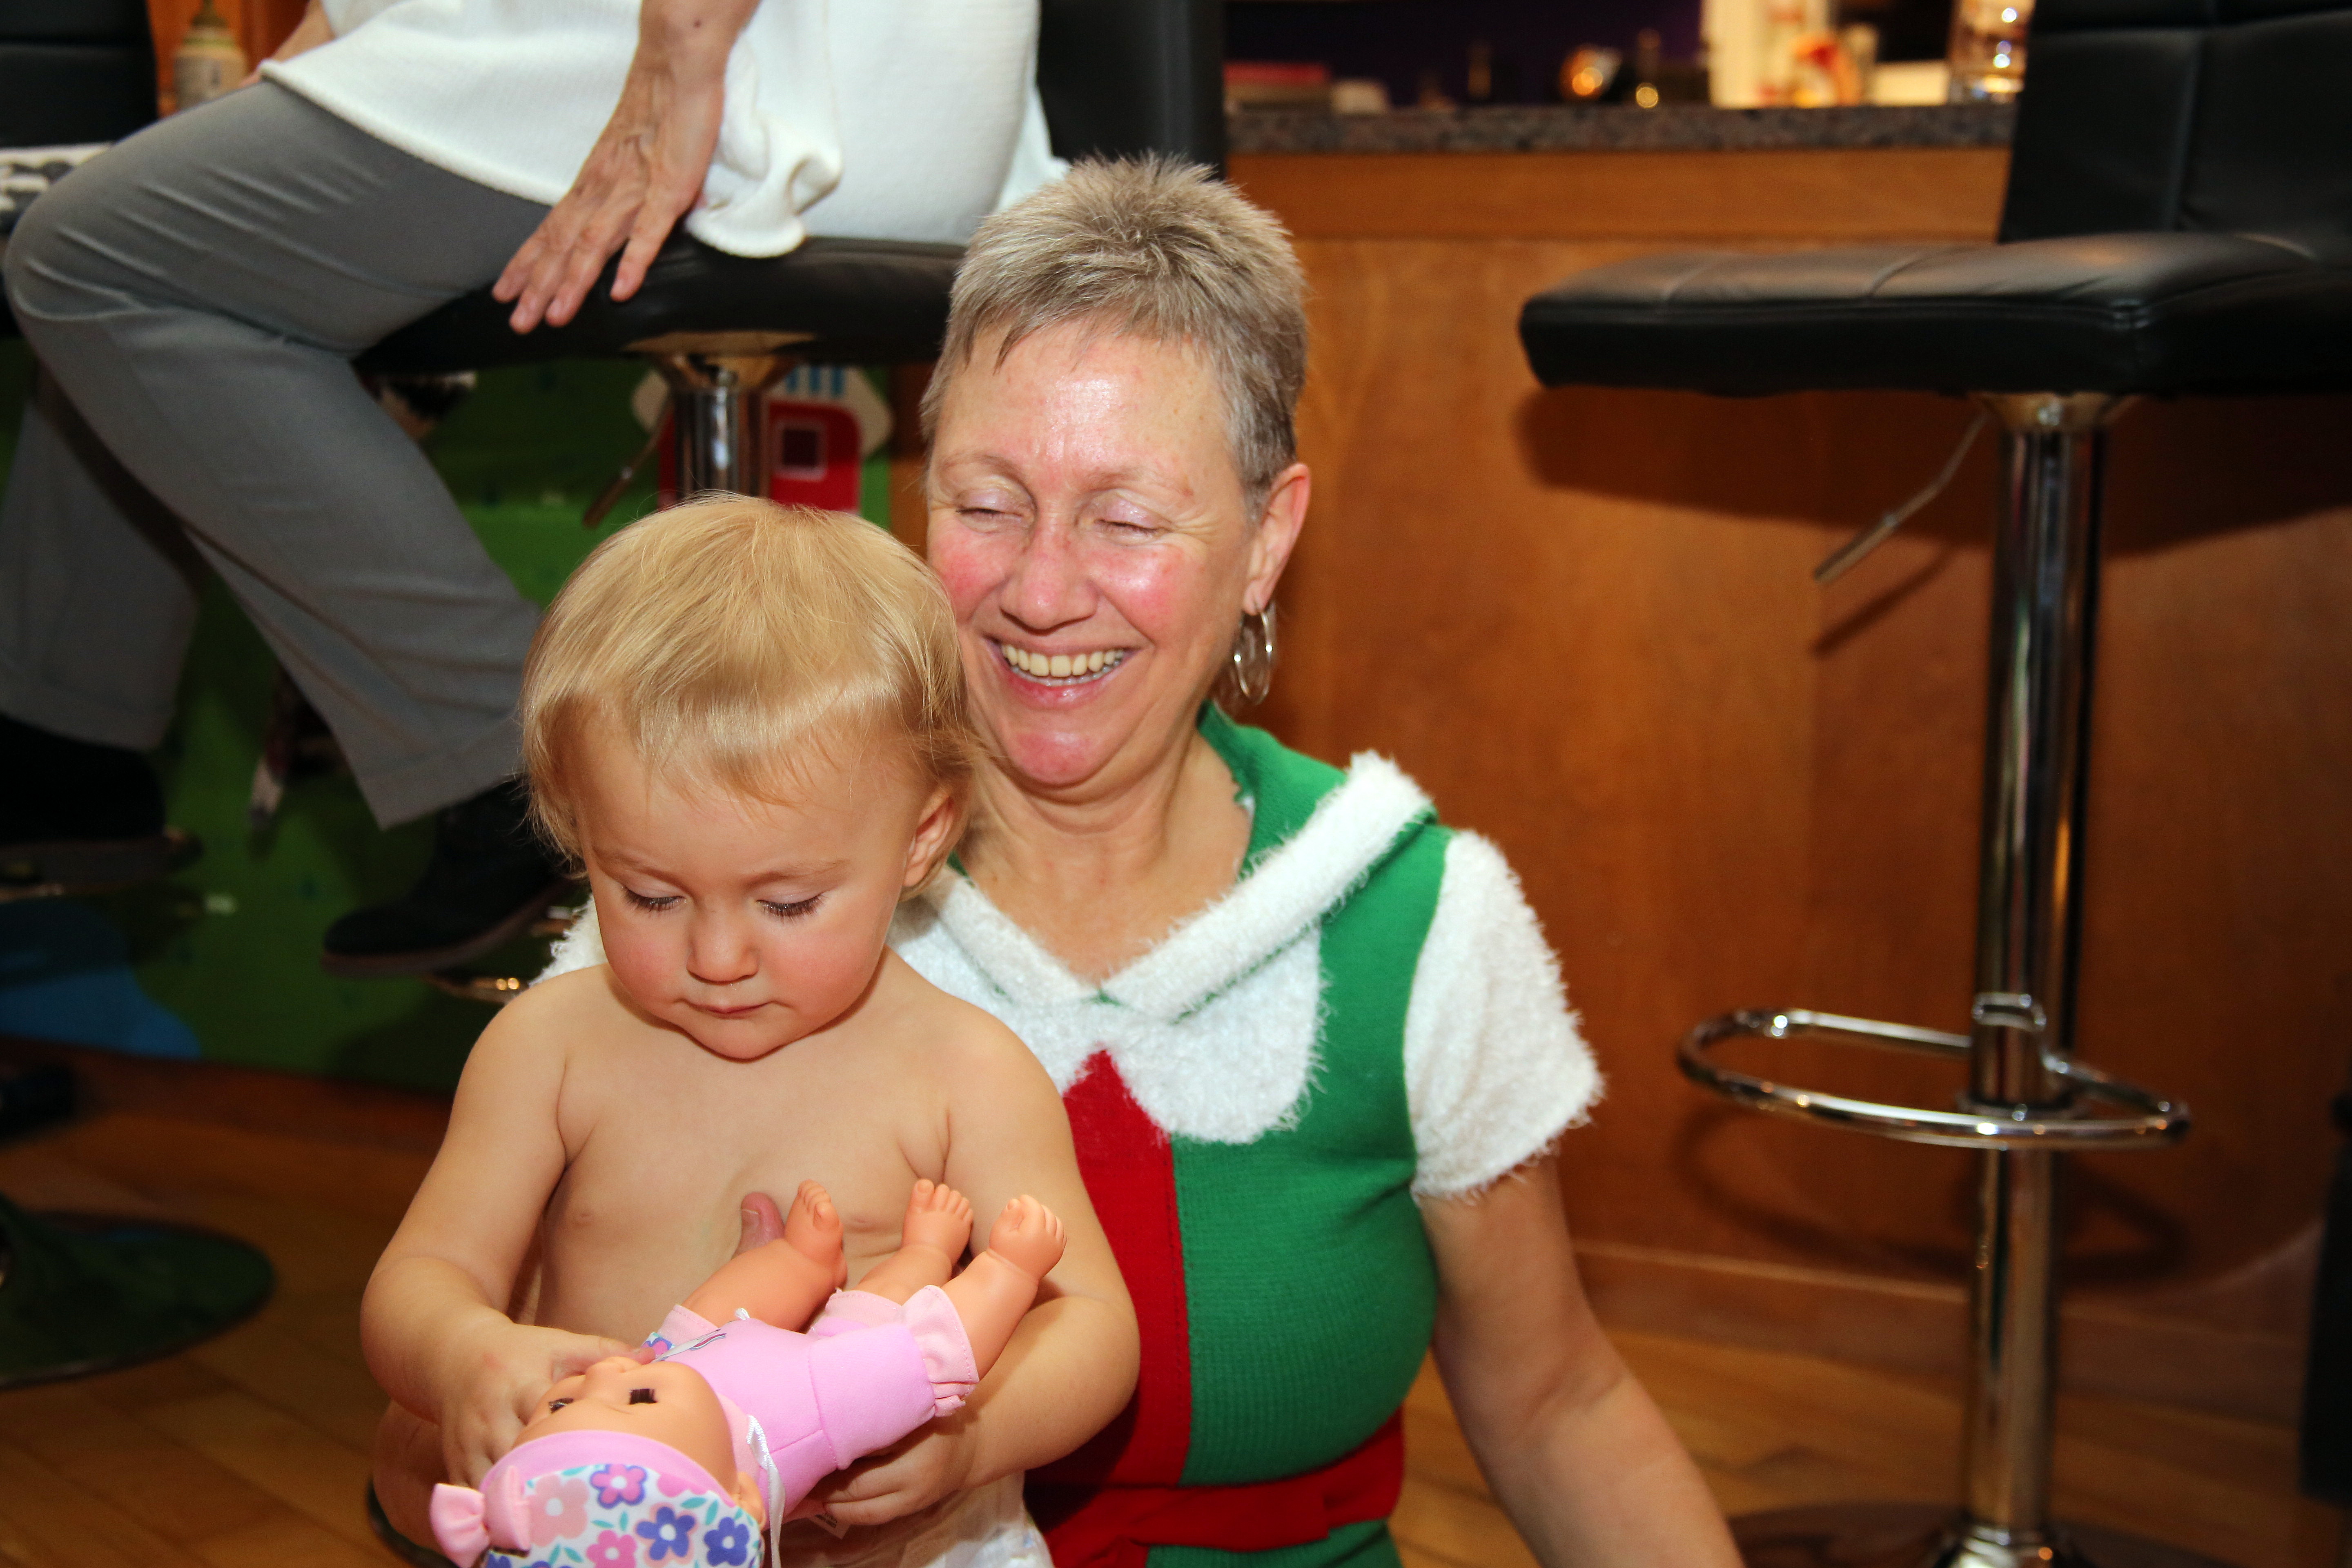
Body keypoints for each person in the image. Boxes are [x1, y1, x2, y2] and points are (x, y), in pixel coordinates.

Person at [556, 158, 1745, 1566]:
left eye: (1126, 519)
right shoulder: (725, 896)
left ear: (1267, 537)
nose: (1042, 591)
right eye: (988, 504)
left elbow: (1558, 1406)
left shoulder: (1410, 918)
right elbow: (474, 1424)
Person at [0, 0, 1061, 974]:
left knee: (90, 258)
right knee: (147, 229)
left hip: (746, 80)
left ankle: (518, 768)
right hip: (879, 97)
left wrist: (683, 52)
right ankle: (64, 746)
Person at [363, 501, 1137, 1568]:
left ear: (920, 837)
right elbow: (422, 1275)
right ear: (581, 830)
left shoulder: (961, 1070)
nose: (719, 956)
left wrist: (975, 1440)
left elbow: (1092, 1324)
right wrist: (464, 1353)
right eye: (649, 895)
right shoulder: (551, 1049)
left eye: (786, 904)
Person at [426, 1180, 1069, 1568]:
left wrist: (662, 1372)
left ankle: (802, 1261)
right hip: (813, 1366)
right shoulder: (806, 1409)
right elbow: (933, 1356)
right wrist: (1009, 1270)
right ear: (739, 1494)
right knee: (880, 1309)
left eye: (563, 1405)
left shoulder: (657, 1379)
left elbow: (695, 1335)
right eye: (638, 1397)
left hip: (711, 1346)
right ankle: (927, 1250)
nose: (608, 1372)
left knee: (707, 1313)